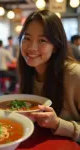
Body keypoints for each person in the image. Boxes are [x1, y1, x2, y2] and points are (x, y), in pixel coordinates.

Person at [18, 10, 80, 142]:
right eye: (27, 38)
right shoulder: (29, 71)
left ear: (56, 46)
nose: (32, 47)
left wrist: (58, 124)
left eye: (42, 40)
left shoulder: (75, 75)